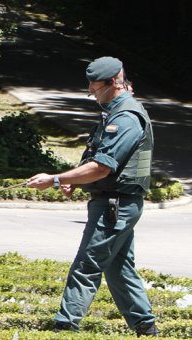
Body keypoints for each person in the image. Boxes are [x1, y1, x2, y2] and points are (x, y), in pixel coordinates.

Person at [27, 56, 158, 337]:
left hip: (115, 205)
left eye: (95, 87)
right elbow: (98, 164)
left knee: (87, 265)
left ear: (113, 83)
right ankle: (146, 328)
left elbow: (102, 167)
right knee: (118, 269)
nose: (91, 92)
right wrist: (75, 181)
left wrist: (56, 179)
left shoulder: (126, 118)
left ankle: (64, 326)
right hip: (113, 201)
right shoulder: (114, 112)